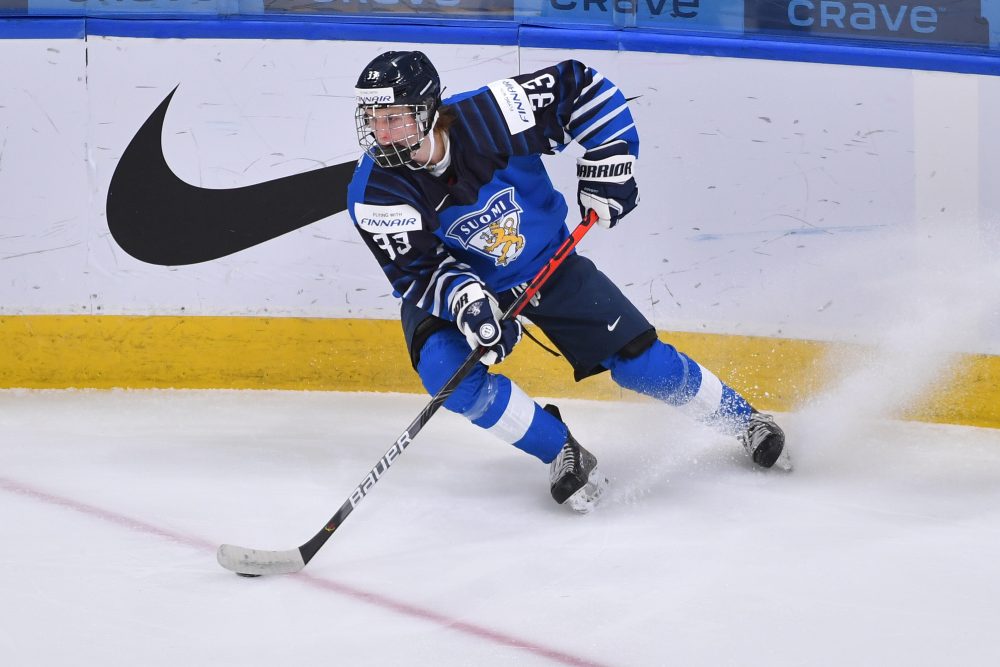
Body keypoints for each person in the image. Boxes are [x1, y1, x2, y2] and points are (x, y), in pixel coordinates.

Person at [347, 51, 789, 513]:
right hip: (462, 284)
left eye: (395, 118)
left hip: (545, 263)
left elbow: (582, 87)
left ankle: (745, 421)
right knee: (445, 372)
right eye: (373, 119)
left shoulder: (493, 113)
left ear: (429, 111)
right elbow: (418, 271)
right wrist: (470, 303)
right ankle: (559, 449)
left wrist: (610, 159)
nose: (382, 132)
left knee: (641, 364)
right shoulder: (375, 193)